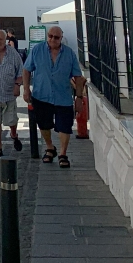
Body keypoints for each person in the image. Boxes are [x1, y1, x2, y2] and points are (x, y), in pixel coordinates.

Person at [23, 25, 85, 168]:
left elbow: (78, 77)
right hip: (41, 95)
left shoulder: (69, 54)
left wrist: (79, 98)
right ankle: (50, 147)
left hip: (63, 97)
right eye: (50, 36)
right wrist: (26, 89)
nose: (52, 39)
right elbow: (26, 70)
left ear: (61, 39)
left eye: (56, 37)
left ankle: (63, 154)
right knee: (44, 125)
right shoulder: (37, 50)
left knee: (65, 127)